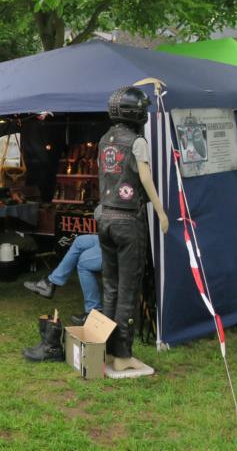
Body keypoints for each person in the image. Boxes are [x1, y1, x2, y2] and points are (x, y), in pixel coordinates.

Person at [96, 86, 168, 372]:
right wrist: (161, 212)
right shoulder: (137, 142)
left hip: (105, 217)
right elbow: (146, 179)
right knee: (128, 290)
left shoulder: (104, 139)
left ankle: (106, 350)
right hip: (128, 221)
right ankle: (123, 355)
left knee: (110, 288)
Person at [24, 234, 102, 325]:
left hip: (116, 244)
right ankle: (51, 283)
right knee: (80, 241)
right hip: (110, 236)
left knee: (83, 262)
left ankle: (94, 310)